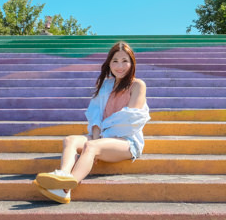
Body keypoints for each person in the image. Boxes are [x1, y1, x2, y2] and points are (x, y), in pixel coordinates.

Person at [33, 41, 150, 203]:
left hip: (126, 141)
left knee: (91, 146)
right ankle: (63, 175)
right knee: (70, 140)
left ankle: (65, 188)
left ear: (132, 63)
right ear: (109, 63)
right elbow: (96, 115)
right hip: (102, 136)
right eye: (115, 61)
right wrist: (97, 138)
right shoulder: (106, 85)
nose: (119, 66)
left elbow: (130, 119)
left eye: (125, 61)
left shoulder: (137, 85)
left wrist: (98, 142)